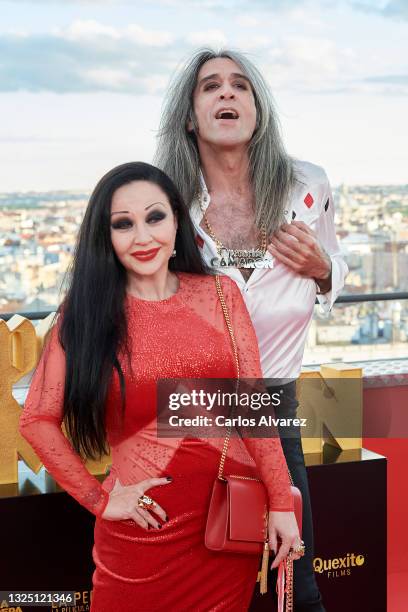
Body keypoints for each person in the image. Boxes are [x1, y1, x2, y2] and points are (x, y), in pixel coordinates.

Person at [19, 161, 303, 612]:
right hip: (142, 530)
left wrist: (283, 504)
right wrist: (99, 499)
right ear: (106, 238)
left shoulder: (220, 295)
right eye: (123, 224)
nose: (143, 236)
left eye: (155, 217)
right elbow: (36, 420)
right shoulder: (87, 314)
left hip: (225, 528)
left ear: (176, 221)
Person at [155, 49, 349, 612]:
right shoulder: (164, 201)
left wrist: (319, 267)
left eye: (241, 85)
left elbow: (336, 271)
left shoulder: (307, 186)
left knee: (296, 582)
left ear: (258, 109)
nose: (227, 94)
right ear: (190, 115)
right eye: (210, 86)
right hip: (189, 408)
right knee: (197, 578)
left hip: (270, 403)